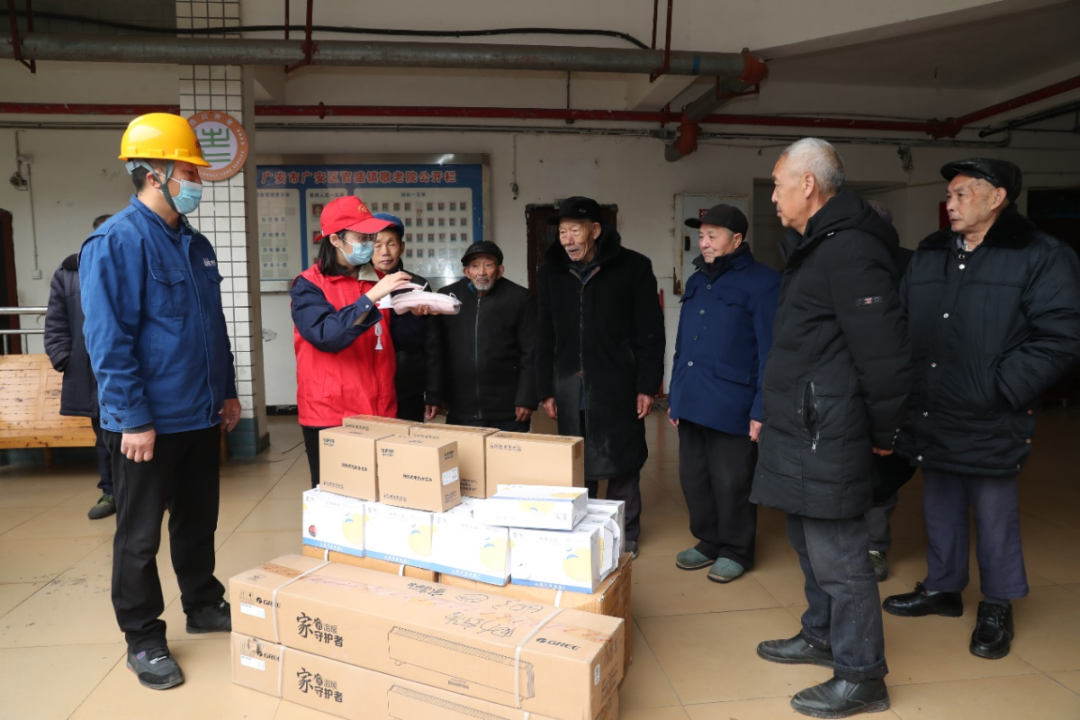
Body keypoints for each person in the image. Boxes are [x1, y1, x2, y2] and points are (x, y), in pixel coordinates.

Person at [884, 159, 1080, 660]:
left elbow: (1061, 337)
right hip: (932, 403)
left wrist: (999, 388)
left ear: (997, 198)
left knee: (994, 512)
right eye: (948, 195)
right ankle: (943, 588)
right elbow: (901, 321)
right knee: (939, 500)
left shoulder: (1041, 255)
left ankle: (996, 604)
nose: (950, 204)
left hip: (991, 409)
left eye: (961, 194)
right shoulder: (931, 253)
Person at [80, 114, 242, 690]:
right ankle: (143, 638)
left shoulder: (195, 244)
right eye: (189, 171)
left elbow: (212, 327)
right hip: (146, 423)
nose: (197, 181)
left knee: (198, 521)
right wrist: (133, 419)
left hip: (199, 412)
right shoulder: (117, 241)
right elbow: (108, 341)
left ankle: (202, 603)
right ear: (155, 174)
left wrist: (226, 390)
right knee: (140, 536)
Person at [751, 138, 911, 718]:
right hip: (804, 424)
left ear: (808, 184)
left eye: (778, 185)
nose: (773, 197)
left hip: (830, 428)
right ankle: (821, 634)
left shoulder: (851, 249)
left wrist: (885, 432)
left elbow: (884, 353)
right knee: (806, 541)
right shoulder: (817, 245)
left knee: (841, 557)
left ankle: (863, 676)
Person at [536, 196, 665, 558]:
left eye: (575, 231)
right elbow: (544, 332)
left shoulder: (633, 266)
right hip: (569, 383)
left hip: (617, 382)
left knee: (622, 461)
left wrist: (647, 385)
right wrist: (546, 388)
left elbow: (650, 332)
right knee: (578, 462)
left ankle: (626, 532)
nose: (568, 240)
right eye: (562, 232)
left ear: (595, 230)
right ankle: (585, 531)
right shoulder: (551, 271)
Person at [667, 204, 780, 583]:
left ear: (737, 239)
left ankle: (736, 549)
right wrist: (676, 394)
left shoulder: (764, 282)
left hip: (734, 403)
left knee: (732, 481)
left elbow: (770, 351)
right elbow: (683, 343)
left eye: (712, 235)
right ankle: (709, 540)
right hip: (692, 397)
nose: (704, 242)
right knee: (694, 478)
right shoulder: (697, 280)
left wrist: (761, 409)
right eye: (701, 235)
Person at [291, 197, 415, 488]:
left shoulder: (379, 280)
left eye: (371, 237)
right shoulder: (308, 284)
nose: (370, 245)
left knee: (382, 493)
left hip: (380, 409)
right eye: (362, 238)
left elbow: (396, 340)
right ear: (335, 240)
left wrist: (416, 313)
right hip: (331, 414)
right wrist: (370, 298)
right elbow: (326, 336)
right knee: (336, 497)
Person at [44, 213, 115, 520]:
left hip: (133, 370)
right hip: (90, 372)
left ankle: (148, 494)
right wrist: (65, 358)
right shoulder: (69, 272)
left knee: (143, 434)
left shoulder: (136, 264)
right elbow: (55, 322)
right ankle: (111, 492)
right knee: (104, 436)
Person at [862, 198, 916, 583]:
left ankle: (874, 546)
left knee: (884, 468)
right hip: (848, 382)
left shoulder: (912, 265)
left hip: (896, 383)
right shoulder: (842, 261)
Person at [428, 241, 537, 431]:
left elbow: (531, 352)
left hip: (508, 408)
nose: (482, 272)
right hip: (460, 407)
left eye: (488, 264)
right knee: (464, 451)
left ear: (500, 270)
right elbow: (436, 352)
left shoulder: (520, 298)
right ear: (466, 271)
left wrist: (526, 398)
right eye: (475, 265)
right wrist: (435, 395)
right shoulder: (447, 298)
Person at [370, 212, 440, 423]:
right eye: (377, 245)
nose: (385, 252)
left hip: (408, 386)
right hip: (367, 385)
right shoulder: (358, 285)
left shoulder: (418, 285)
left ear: (402, 247)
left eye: (391, 244)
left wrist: (433, 391)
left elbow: (432, 344)